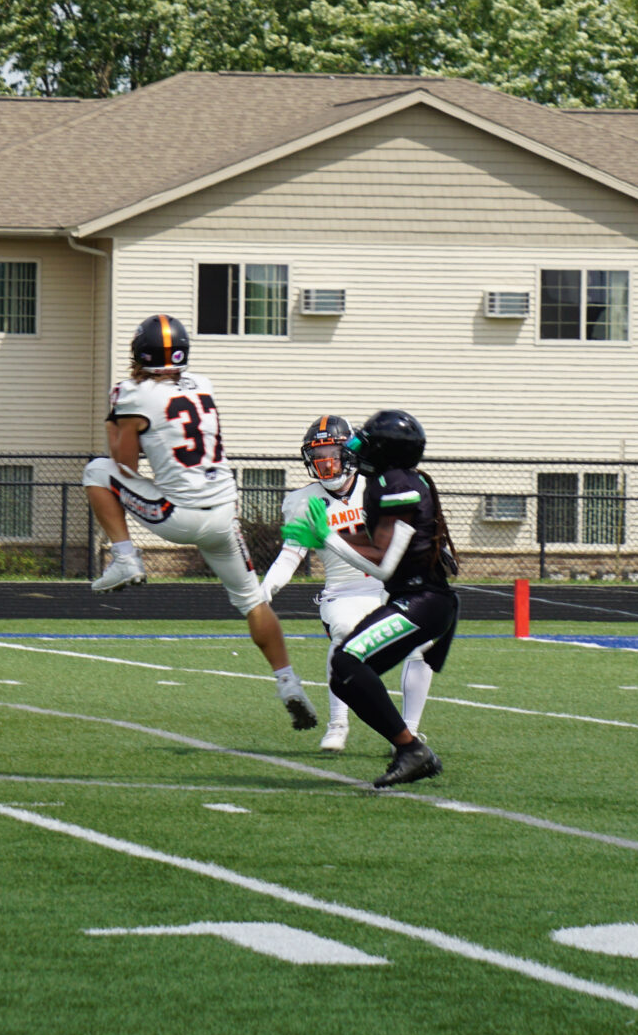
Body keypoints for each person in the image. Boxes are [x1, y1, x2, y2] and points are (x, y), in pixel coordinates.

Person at [82, 312, 317, 732]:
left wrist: (114, 416)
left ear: (139, 353)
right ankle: (289, 683)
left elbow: (124, 462)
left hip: (180, 517)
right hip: (225, 513)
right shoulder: (203, 383)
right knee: (252, 602)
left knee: (97, 471)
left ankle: (124, 556)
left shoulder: (134, 394)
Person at [281, 409, 459, 787]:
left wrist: (326, 536)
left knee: (347, 666)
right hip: (411, 597)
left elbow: (384, 562)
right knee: (347, 674)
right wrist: (330, 536)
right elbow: (374, 548)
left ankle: (411, 746)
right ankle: (408, 748)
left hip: (422, 601)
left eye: (364, 440)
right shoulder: (384, 481)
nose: (354, 448)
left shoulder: (396, 485)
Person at [260, 414, 434, 753]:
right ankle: (338, 723)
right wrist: (264, 592)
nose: (326, 464)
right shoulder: (304, 501)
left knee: (420, 645)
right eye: (319, 458)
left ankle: (410, 732)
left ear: (349, 453)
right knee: (345, 633)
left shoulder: (380, 485)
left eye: (333, 455)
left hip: (389, 587)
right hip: (344, 590)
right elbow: (291, 555)